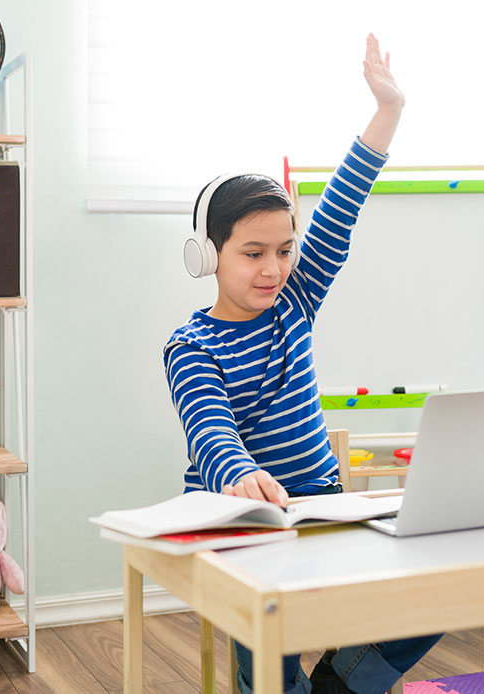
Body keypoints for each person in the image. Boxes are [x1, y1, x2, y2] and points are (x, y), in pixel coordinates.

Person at [163, 34, 442, 694]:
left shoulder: (295, 301)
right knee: (269, 623)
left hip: (323, 510)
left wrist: (389, 110)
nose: (273, 269)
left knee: (437, 579)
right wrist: (241, 477)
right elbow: (211, 435)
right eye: (253, 252)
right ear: (209, 256)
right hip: (242, 520)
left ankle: (344, 684)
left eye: (284, 250)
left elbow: (343, 204)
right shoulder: (190, 347)